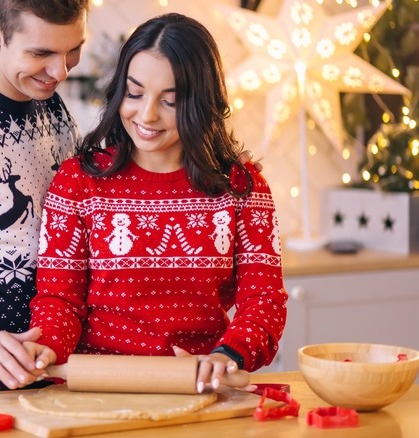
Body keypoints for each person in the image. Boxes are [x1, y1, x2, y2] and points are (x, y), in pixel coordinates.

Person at [0, 2, 260, 395]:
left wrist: (211, 157)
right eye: (41, 53)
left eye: (73, 50)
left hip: (62, 378)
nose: (60, 71)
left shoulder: (47, 103)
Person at [28, 12, 287, 394]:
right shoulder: (78, 182)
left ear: (201, 104)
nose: (146, 115)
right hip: (97, 391)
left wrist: (228, 355)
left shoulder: (242, 188)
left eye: (170, 101)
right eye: (134, 94)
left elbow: (264, 301)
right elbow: (59, 300)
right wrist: (45, 348)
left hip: (199, 387)